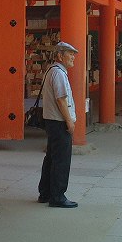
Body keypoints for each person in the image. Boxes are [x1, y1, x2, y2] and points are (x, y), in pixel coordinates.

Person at [37, 41, 79, 208]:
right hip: (59, 121)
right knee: (61, 159)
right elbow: (61, 99)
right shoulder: (59, 73)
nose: (73, 57)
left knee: (51, 158)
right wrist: (69, 121)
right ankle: (58, 196)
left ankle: (45, 193)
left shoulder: (51, 70)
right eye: (70, 54)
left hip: (52, 120)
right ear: (60, 56)